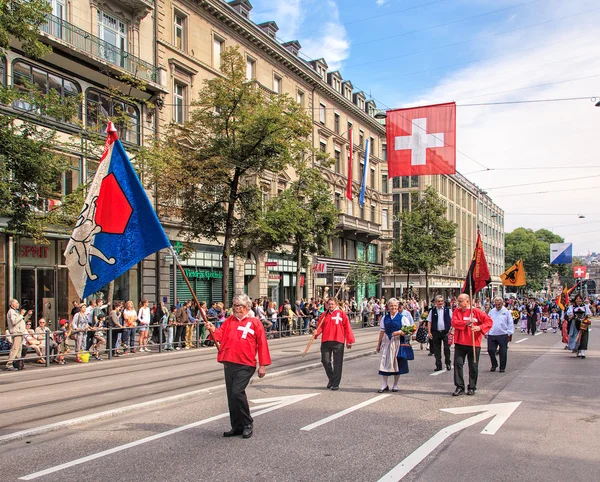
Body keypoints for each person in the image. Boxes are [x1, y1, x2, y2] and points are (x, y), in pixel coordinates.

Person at [204, 293, 271, 439]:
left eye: (238, 306)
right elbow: (220, 335)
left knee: (237, 392)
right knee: (231, 396)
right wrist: (212, 329)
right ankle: (236, 426)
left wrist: (263, 365)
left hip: (246, 364)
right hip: (229, 362)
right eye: (234, 305)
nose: (235, 308)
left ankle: (247, 423)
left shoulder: (255, 323)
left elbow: (262, 345)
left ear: (246, 307)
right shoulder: (229, 321)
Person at [451, 294, 493, 396]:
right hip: (460, 342)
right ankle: (459, 386)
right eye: (458, 301)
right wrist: (466, 323)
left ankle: (472, 386)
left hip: (473, 343)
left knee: (473, 366)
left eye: (461, 301)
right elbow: (454, 322)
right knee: (458, 364)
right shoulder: (457, 311)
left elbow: (489, 322)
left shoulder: (476, 312)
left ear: (467, 301)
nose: (458, 303)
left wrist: (479, 328)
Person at [312, 298, 355, 391]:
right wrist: (316, 332)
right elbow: (320, 327)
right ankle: (332, 378)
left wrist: (349, 340)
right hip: (326, 341)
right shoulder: (324, 315)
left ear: (336, 304)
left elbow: (347, 327)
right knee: (325, 360)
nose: (330, 306)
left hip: (338, 341)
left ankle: (335, 383)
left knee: (337, 363)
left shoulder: (342, 314)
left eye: (332, 304)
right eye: (329, 304)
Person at [376, 299, 414, 392]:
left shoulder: (402, 317)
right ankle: (384, 384)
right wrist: (378, 344)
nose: (393, 308)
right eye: (391, 306)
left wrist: (400, 332)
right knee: (384, 361)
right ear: (388, 307)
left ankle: (395, 384)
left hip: (398, 342)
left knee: (397, 363)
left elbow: (408, 331)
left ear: (398, 307)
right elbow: (382, 331)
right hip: (386, 342)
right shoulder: (385, 318)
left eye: (395, 306)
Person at [487, 296, 513, 373]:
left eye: (499, 304)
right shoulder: (492, 311)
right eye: (496, 304)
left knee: (503, 352)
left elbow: (510, 322)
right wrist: (486, 332)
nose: (497, 306)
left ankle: (502, 367)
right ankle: (494, 364)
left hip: (503, 334)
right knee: (491, 350)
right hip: (492, 334)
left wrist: (509, 332)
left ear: (502, 303)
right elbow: (487, 321)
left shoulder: (506, 312)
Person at [427, 295, 453, 371]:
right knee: (437, 350)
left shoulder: (448, 310)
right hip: (436, 332)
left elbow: (453, 321)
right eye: (438, 301)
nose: (440, 303)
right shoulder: (432, 311)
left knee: (446, 348)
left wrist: (450, 330)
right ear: (435, 302)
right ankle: (438, 365)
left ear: (443, 302)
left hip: (446, 332)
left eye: (441, 301)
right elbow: (429, 322)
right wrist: (429, 332)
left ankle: (448, 363)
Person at [5, 299, 32, 371]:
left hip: (20, 332)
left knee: (19, 349)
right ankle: (9, 364)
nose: (18, 305)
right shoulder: (11, 311)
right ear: (12, 304)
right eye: (17, 303)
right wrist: (21, 314)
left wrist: (28, 315)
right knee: (15, 349)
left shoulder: (16, 312)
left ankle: (17, 363)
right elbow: (14, 322)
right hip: (16, 332)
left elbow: (22, 321)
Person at [567, 294, 592, 359]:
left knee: (584, 337)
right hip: (575, 323)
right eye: (577, 299)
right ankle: (577, 350)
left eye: (580, 299)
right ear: (575, 300)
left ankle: (583, 352)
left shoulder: (585, 306)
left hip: (583, 323)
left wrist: (586, 318)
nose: (578, 300)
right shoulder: (572, 307)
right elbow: (569, 314)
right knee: (576, 337)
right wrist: (571, 316)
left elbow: (589, 314)